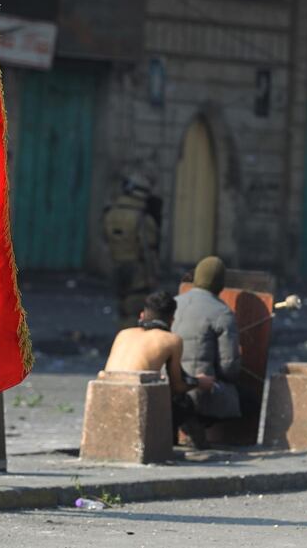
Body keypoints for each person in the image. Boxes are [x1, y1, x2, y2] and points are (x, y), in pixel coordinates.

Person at [102, 290, 214, 443]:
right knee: (183, 403)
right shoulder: (171, 340)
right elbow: (178, 386)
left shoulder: (123, 334)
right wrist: (200, 382)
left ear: (142, 315)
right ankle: (175, 446)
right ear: (172, 320)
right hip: (136, 407)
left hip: (106, 401)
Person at [172, 256, 252, 447]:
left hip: (168, 386)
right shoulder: (222, 312)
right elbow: (229, 368)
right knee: (250, 402)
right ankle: (202, 425)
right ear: (220, 284)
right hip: (199, 390)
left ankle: (185, 425)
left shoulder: (174, 302)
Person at [102, 172, 160, 329]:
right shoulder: (142, 218)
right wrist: (153, 276)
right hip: (137, 270)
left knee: (122, 308)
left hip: (117, 265)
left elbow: (106, 242)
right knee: (134, 312)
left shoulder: (111, 213)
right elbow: (149, 251)